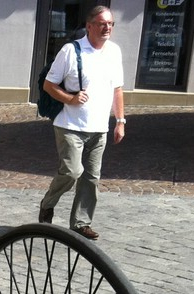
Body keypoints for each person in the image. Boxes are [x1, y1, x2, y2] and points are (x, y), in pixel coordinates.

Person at [38, 5, 125, 240]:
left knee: (91, 178)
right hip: (70, 125)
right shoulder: (71, 50)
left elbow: (117, 89)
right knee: (72, 172)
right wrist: (70, 99)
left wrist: (120, 121)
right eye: (102, 24)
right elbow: (49, 85)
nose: (107, 28)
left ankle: (80, 223)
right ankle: (48, 203)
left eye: (110, 24)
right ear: (89, 26)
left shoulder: (114, 52)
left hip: (99, 128)